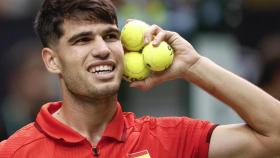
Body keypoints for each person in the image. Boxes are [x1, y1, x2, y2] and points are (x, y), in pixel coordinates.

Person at [1, 0, 280, 157]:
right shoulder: (15, 152)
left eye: (110, 36)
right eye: (83, 40)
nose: (102, 49)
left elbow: (275, 136)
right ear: (52, 60)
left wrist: (194, 66)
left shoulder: (170, 139)